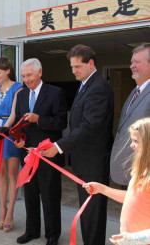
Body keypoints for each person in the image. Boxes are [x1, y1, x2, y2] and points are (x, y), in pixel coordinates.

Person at [42, 44, 114, 245]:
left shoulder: (99, 87)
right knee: (87, 209)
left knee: (92, 211)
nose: (73, 71)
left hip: (93, 160)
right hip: (83, 159)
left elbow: (89, 126)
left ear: (91, 64)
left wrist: (58, 146)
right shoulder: (85, 84)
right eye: (71, 67)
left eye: (77, 67)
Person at [15, 58, 67, 245]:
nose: (26, 79)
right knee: (30, 195)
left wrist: (39, 119)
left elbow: (61, 122)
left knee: (50, 197)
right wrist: (19, 139)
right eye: (23, 76)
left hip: (48, 155)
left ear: (40, 72)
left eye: (29, 75)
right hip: (28, 154)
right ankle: (32, 231)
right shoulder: (21, 95)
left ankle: (52, 235)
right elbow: (19, 124)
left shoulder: (55, 93)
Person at [83, 117, 150, 245]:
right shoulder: (141, 169)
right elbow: (132, 197)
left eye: (136, 141)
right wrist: (102, 189)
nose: (131, 145)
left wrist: (132, 239)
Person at [0, 56, 23, 232]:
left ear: (8, 71)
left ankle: (11, 212)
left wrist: (4, 130)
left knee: (12, 173)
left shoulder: (18, 88)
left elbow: (14, 114)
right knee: (0, 173)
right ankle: (2, 210)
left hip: (10, 132)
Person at [110, 43, 150, 188]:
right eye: (132, 62)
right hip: (129, 171)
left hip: (144, 174)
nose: (132, 66)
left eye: (137, 62)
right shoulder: (135, 91)